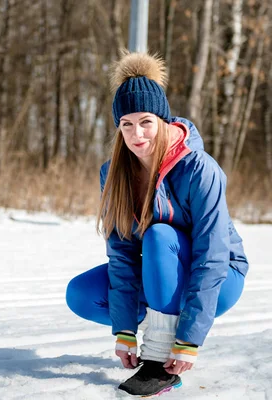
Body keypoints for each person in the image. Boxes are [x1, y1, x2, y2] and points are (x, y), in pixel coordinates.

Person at [65, 51, 249, 397]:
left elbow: (212, 255)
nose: (138, 135)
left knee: (159, 234)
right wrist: (123, 330)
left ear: (162, 119)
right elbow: (120, 254)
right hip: (161, 275)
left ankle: (160, 357)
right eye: (127, 124)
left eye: (146, 121)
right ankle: (162, 323)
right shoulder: (113, 173)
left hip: (219, 276)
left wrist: (189, 340)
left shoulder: (199, 168)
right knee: (81, 294)